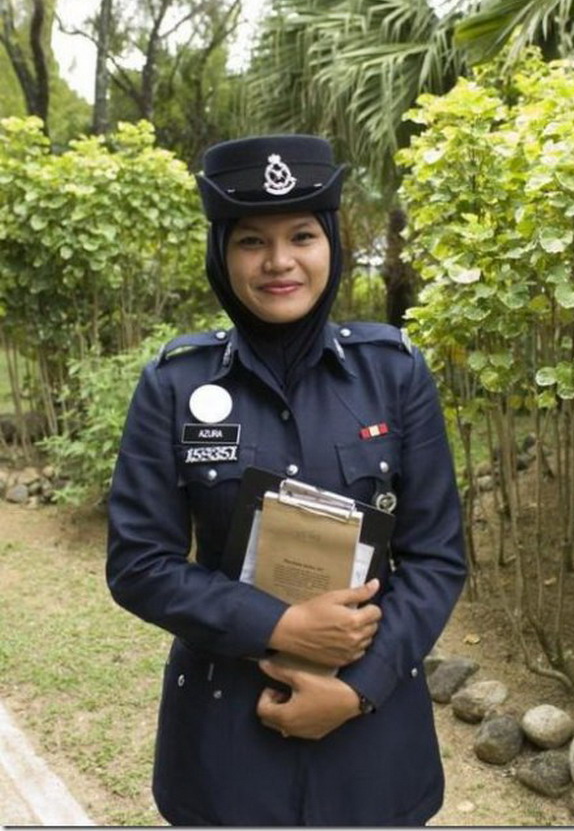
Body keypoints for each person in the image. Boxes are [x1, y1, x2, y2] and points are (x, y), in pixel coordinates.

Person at [106, 134, 467, 827]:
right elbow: (139, 564)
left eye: (302, 235)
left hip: (374, 740)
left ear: (330, 241)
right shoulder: (173, 384)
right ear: (221, 253)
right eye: (252, 241)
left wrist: (357, 689)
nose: (279, 261)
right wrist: (281, 625)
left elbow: (436, 558)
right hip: (225, 739)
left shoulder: (394, 374)